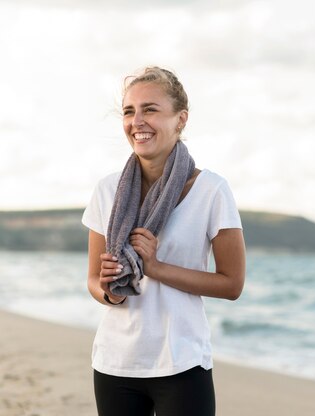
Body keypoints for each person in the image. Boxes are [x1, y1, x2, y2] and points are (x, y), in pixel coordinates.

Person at [82, 67, 245, 416]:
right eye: (129, 111)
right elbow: (94, 282)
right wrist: (109, 290)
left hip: (181, 362)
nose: (137, 121)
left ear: (180, 119)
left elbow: (232, 284)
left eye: (150, 109)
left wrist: (155, 268)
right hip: (115, 364)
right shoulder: (107, 190)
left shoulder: (212, 191)